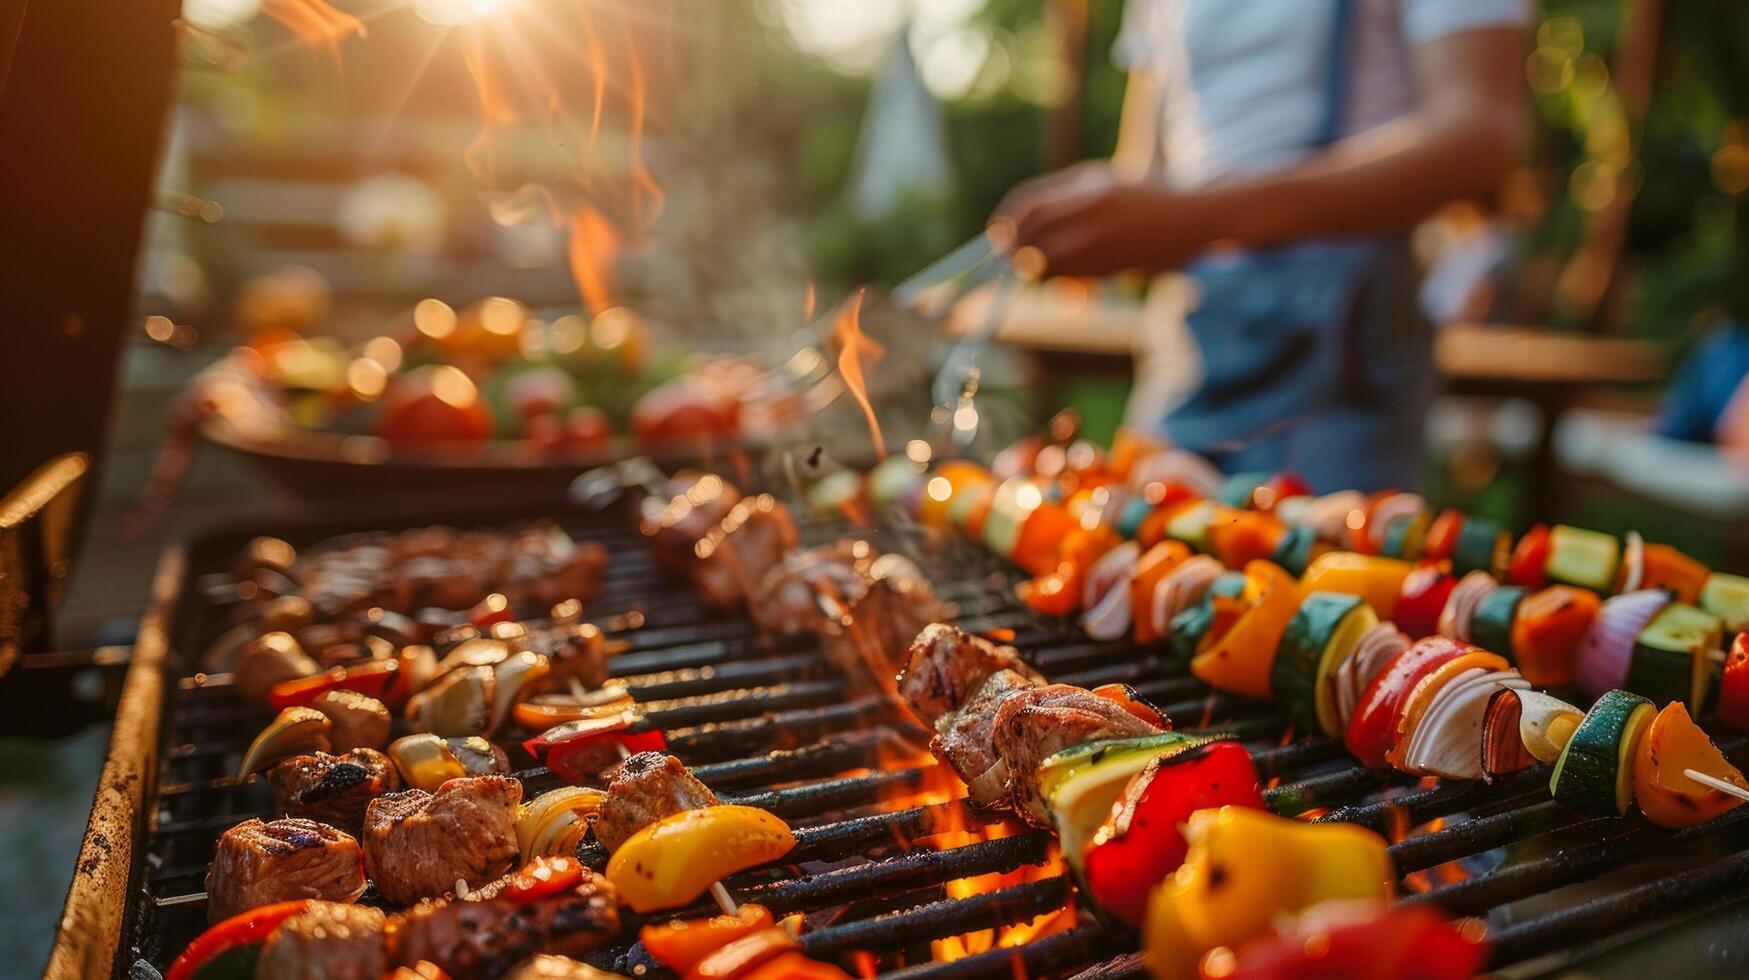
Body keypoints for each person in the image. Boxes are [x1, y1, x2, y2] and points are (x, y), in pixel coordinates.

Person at [991, 0, 1528, 492]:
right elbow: (1150, 171)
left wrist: (1196, 217)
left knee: (1321, 581)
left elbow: (1479, 137)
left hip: (1339, 350)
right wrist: (1094, 225)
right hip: (1191, 334)